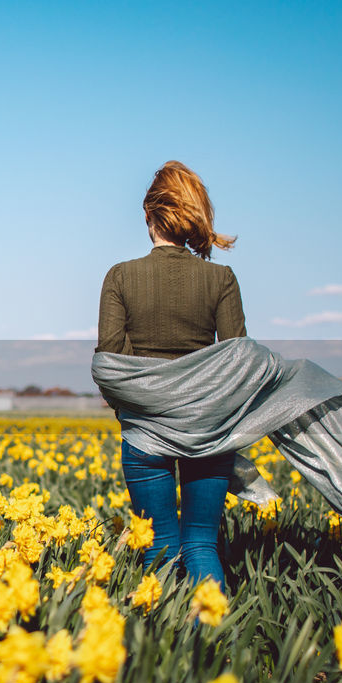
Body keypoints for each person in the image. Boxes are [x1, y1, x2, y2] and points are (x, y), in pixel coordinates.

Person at [96, 160, 245, 591]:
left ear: (149, 214)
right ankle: (218, 646)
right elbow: (238, 360)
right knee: (202, 544)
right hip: (208, 435)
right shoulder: (221, 279)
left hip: (144, 435)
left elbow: (109, 362)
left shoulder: (121, 277)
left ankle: (163, 647)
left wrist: (134, 408)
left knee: (158, 546)